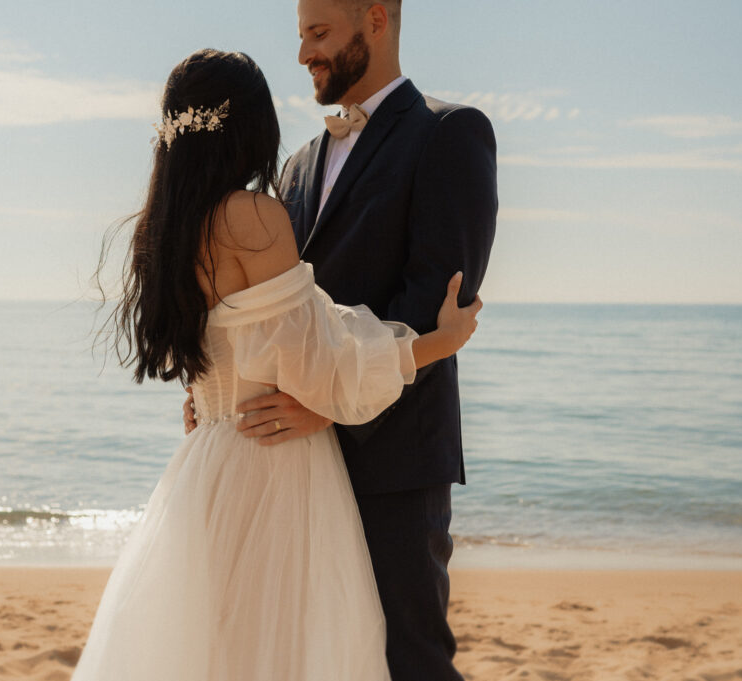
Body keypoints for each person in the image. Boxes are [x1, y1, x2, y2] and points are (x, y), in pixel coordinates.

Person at [75, 49, 481, 680]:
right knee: (293, 650)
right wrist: (440, 341)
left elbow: (209, 349)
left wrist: (208, 397)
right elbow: (322, 367)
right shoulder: (256, 214)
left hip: (206, 465)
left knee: (226, 650)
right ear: (249, 127)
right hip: (274, 466)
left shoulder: (165, 227)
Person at [186, 2, 498, 679]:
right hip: (286, 470)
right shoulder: (295, 167)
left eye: (319, 34)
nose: (303, 54)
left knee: (406, 657)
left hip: (391, 461)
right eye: (300, 36)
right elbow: (271, 312)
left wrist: (327, 405)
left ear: (377, 21)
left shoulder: (450, 134)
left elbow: (431, 303)